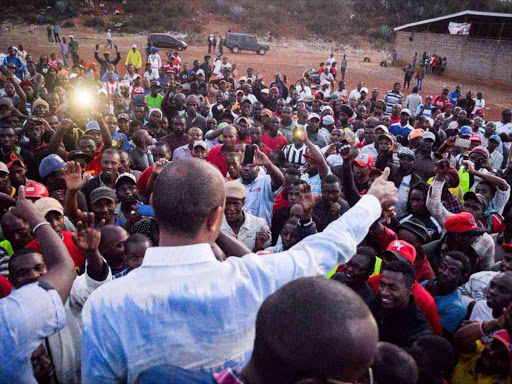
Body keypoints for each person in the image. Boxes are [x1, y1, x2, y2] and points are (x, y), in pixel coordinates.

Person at [81, 158, 397, 380]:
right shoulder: (252, 278)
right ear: (216, 217)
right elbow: (327, 248)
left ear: (154, 206)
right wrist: (372, 200)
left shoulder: (105, 304)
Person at [0, 186, 76, 382]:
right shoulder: (10, 320)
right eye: (22, 273)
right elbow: (63, 267)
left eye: (38, 268)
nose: (33, 276)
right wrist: (32, 213)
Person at [452, 305, 512, 384]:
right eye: (493, 345)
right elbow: (459, 338)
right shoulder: (477, 352)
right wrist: (496, 323)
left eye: (501, 355)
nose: (491, 352)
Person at [422, 252, 470, 334]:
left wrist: (429, 298)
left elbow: (434, 333)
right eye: (443, 267)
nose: (445, 273)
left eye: (453, 271)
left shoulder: (456, 308)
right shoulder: (426, 284)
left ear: (462, 277)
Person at [221, 181, 271, 252]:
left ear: (243, 202)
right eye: (227, 203)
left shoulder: (259, 225)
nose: (231, 209)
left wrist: (258, 247)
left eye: (236, 203)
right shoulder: (215, 226)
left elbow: (263, 256)